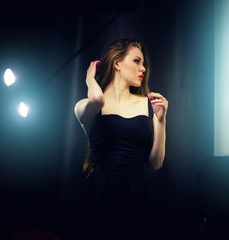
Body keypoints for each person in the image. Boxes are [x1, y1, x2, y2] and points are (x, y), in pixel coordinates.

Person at [66, 39, 168, 240]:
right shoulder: (84, 106)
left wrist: (161, 120)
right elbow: (97, 100)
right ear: (117, 63)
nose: (143, 68)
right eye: (137, 61)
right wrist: (90, 79)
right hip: (98, 195)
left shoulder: (150, 105)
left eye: (143, 63)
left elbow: (155, 163)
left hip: (135, 195)